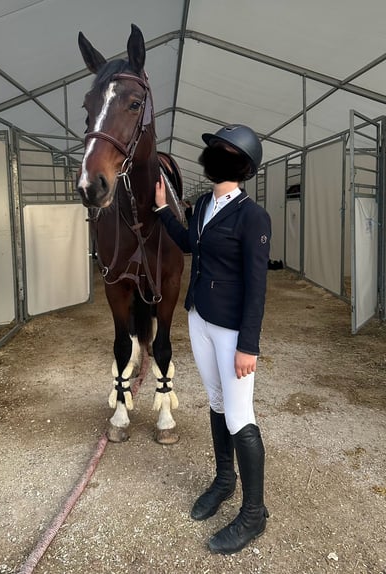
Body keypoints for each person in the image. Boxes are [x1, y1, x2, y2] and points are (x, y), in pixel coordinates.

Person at [153, 124, 271, 554]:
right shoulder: (203, 203)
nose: (214, 157)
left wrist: (248, 345)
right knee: (218, 403)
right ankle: (224, 480)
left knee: (240, 414)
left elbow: (257, 286)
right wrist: (165, 209)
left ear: (240, 165)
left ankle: (254, 514)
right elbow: (189, 243)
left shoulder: (252, 216)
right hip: (199, 319)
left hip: (232, 331)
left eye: (222, 152)